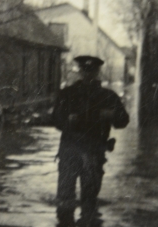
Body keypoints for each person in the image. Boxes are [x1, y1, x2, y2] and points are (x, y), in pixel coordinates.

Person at [52, 55, 129, 216]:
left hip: (94, 151)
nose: (88, 74)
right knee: (65, 199)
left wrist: (112, 114)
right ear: (79, 71)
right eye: (84, 70)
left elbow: (123, 121)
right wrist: (68, 120)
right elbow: (56, 120)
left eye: (91, 70)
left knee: (90, 199)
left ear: (97, 72)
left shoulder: (108, 96)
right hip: (70, 150)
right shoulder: (67, 94)